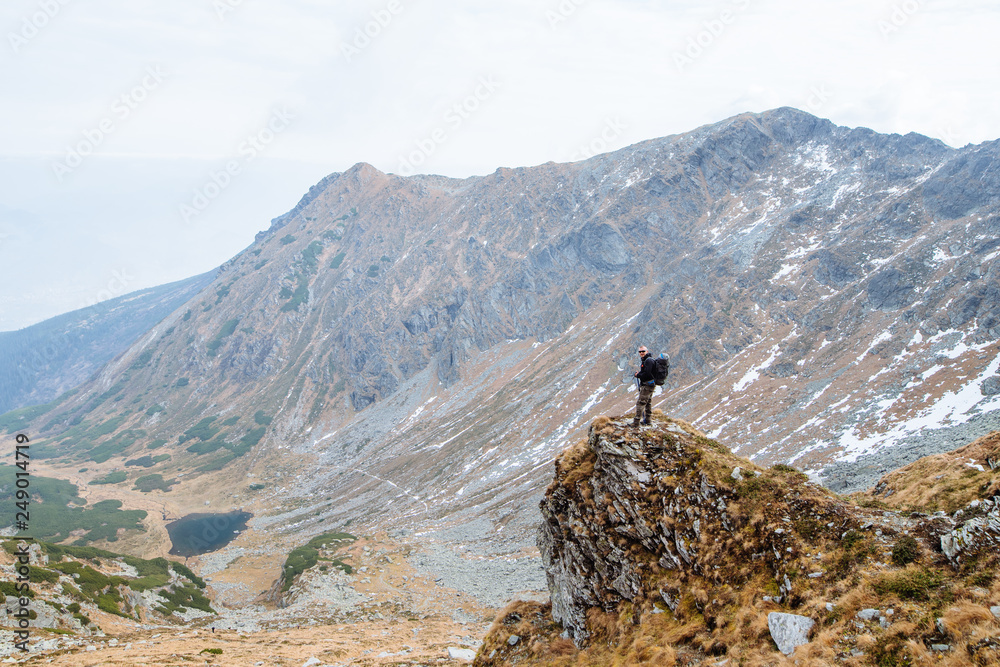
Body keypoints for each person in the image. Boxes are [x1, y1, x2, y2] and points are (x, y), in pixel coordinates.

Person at [633, 346, 656, 426]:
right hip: (650, 385)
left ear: (647, 351)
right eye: (640, 352)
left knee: (641, 403)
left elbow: (647, 374)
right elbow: (647, 372)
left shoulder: (648, 361)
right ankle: (648, 421)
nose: (641, 353)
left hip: (647, 385)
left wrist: (638, 375)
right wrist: (639, 374)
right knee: (648, 403)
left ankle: (636, 422)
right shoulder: (647, 360)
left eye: (643, 351)